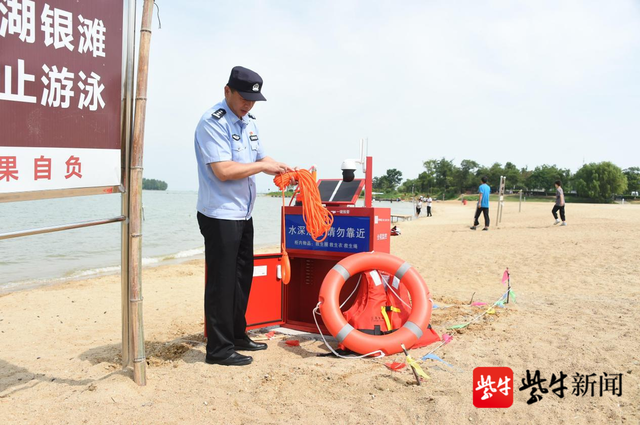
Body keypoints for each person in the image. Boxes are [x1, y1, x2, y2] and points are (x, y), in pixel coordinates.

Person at [194, 66, 294, 366]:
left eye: (253, 98)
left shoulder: (249, 122)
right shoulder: (212, 123)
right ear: (227, 91)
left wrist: (279, 166)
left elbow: (260, 156)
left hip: (243, 213)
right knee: (221, 283)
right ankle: (218, 349)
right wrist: (263, 168)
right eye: (243, 97)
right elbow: (223, 171)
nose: (248, 103)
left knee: (241, 278)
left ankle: (237, 335)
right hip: (219, 214)